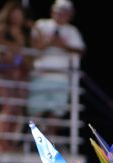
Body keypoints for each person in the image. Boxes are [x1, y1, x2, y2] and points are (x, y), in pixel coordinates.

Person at [27, 0, 83, 140]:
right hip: (41, 74)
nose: (61, 15)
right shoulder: (41, 24)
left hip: (61, 77)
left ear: (70, 15)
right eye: (59, 11)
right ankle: (34, 141)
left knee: (56, 114)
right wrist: (49, 42)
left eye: (65, 12)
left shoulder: (72, 31)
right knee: (36, 112)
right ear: (53, 11)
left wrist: (63, 46)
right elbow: (34, 46)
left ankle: (51, 141)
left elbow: (80, 50)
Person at [0, 1, 30, 152]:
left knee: (17, 110)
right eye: (14, 13)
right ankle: (2, 143)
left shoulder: (26, 33)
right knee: (8, 107)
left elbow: (28, 56)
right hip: (2, 75)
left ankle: (11, 142)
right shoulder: (2, 30)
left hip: (19, 76)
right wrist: (11, 46)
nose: (17, 17)